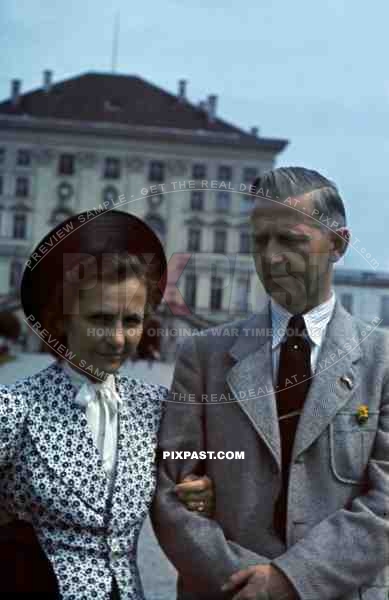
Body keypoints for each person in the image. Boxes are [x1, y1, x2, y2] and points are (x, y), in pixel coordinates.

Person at [151, 167, 389, 600]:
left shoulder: (383, 361)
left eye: (291, 240)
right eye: (260, 241)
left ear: (338, 244)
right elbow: (172, 491)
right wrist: (247, 583)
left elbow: (386, 504)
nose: (272, 257)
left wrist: (289, 580)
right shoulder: (203, 357)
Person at [0, 208, 212, 599]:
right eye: (100, 318)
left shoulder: (155, 406)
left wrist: (201, 484)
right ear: (62, 319)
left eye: (130, 321)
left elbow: (218, 457)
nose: (117, 339)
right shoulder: (15, 408)